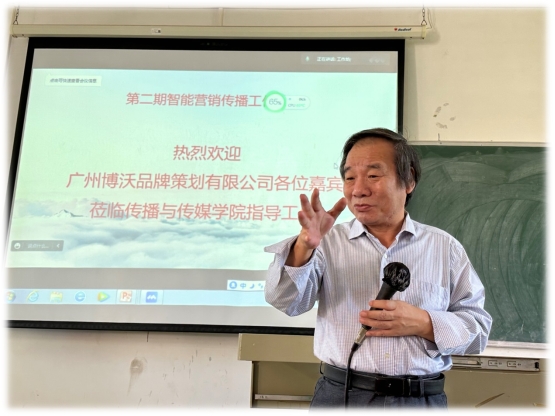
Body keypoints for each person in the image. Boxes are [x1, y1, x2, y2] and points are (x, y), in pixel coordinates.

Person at [264, 128, 492, 409]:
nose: (358, 189)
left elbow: (478, 332)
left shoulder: (445, 248)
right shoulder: (327, 243)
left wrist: (425, 323)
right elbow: (285, 301)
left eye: (373, 176)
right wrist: (303, 246)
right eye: (350, 178)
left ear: (408, 180)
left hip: (420, 400)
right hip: (342, 396)